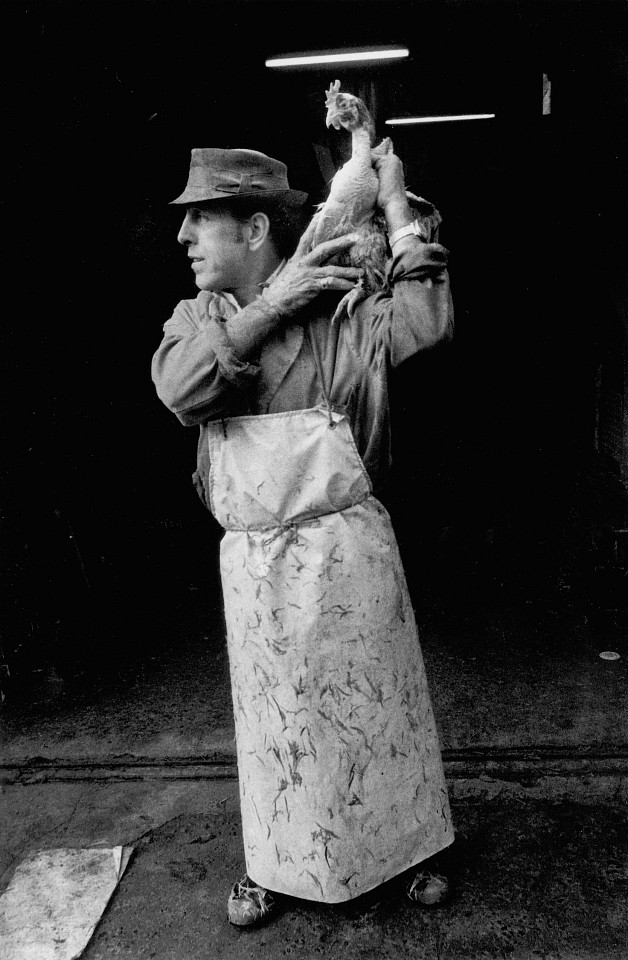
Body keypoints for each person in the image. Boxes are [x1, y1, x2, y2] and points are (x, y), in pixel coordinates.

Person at [151, 146, 455, 926]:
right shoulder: (200, 320)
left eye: (200, 223)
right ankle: (276, 866)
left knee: (374, 711)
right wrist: (272, 305)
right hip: (257, 566)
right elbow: (183, 393)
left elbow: (426, 324)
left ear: (255, 229)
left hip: (350, 550)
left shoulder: (343, 309)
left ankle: (408, 850)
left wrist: (394, 207)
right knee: (276, 727)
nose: (183, 240)